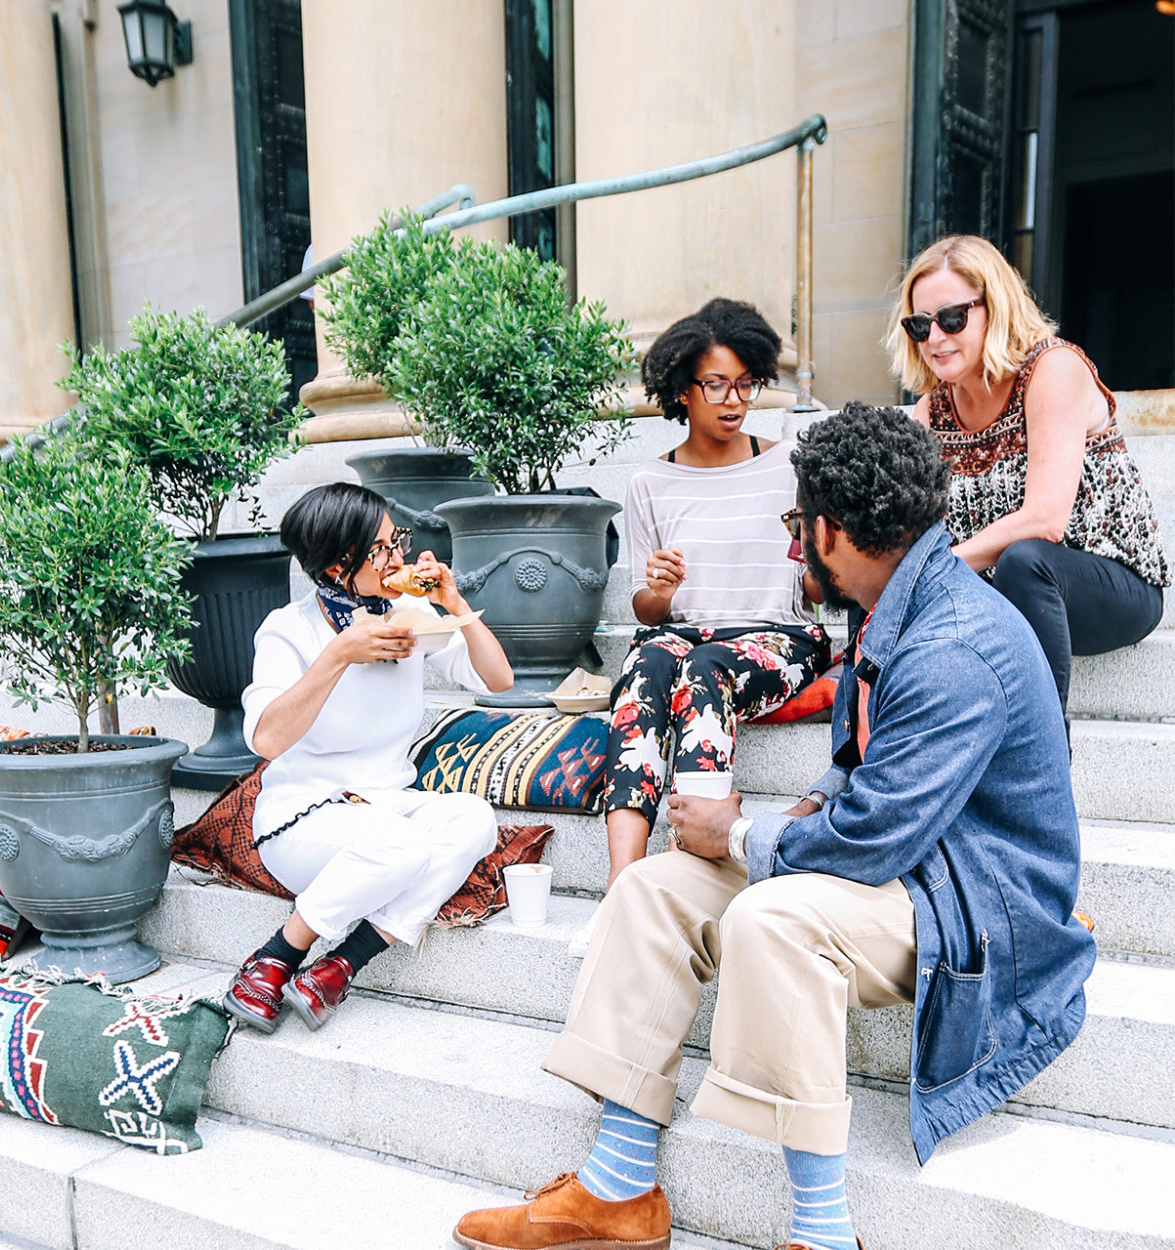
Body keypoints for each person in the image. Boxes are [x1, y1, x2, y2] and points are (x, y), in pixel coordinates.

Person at [452, 403, 1095, 1250]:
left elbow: (874, 838)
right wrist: (799, 807)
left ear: (836, 531)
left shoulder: (956, 643)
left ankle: (823, 1235)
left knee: (770, 917)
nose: (793, 545)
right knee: (655, 888)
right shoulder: (892, 603)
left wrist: (742, 835)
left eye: (798, 523)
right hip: (911, 870)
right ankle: (617, 1188)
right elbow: (864, 766)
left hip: (979, 904)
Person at [570, 297, 830, 958]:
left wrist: (811, 566)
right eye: (718, 384)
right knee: (650, 659)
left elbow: (821, 586)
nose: (735, 399)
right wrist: (658, 591)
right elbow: (647, 612)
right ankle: (621, 887)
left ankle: (697, 854)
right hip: (687, 636)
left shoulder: (790, 465)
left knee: (707, 666)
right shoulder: (650, 483)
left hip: (777, 636)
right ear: (682, 389)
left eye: (747, 383)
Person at [223, 482, 514, 1033]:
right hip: (304, 819)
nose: (398, 557)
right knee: (400, 846)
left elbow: (498, 679)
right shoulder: (290, 630)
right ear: (338, 566)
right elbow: (265, 740)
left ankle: (337, 967)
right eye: (381, 549)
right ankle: (273, 959)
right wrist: (338, 655)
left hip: (385, 806)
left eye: (395, 540)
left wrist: (453, 603)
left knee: (474, 819)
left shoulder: (406, 614)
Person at [889, 233, 1168, 721]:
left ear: (994, 308)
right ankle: (857, 765)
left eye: (952, 318)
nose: (935, 338)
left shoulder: (1052, 369)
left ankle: (1044, 756)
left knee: (1024, 561)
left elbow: (1045, 520)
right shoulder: (929, 413)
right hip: (1000, 588)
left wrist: (935, 571)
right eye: (920, 324)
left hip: (1110, 582)